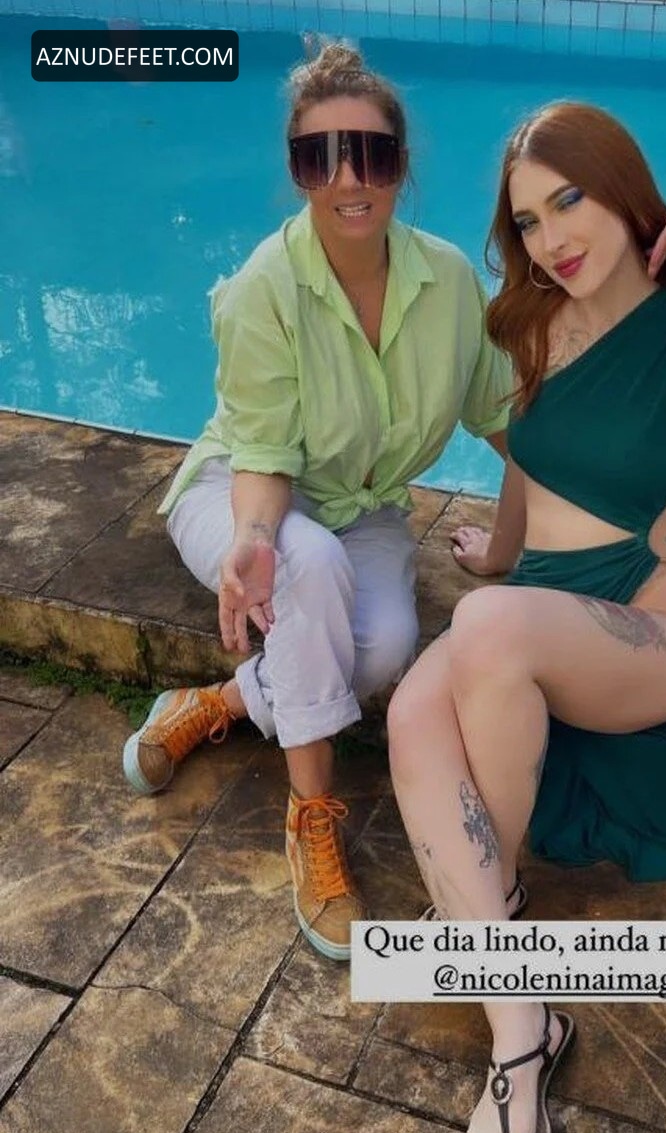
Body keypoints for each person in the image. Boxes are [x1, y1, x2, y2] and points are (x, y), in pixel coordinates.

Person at [387, 101, 666, 1133]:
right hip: (532, 605)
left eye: (570, 201)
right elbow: (527, 463)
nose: (552, 238)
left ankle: (483, 906)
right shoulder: (535, 322)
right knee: (414, 710)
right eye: (528, 220)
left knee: (485, 632)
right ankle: (523, 1022)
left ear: (623, 192)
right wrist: (500, 555)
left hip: (641, 631)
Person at [121, 41, 511, 962]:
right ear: (296, 170)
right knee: (309, 565)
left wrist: (548, 531)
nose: (347, 179)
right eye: (318, 156)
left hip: (362, 505)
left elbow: (506, 417)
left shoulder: (451, 282)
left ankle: (221, 700)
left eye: (370, 154)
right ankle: (310, 820)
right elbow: (261, 458)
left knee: (385, 648)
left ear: (400, 165)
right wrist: (255, 540)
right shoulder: (263, 288)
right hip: (237, 491)